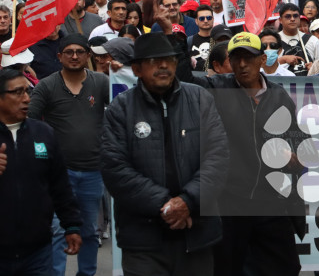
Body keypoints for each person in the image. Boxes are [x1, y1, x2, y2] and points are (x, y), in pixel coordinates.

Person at [173, 31, 307, 276]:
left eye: (248, 58)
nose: (242, 65)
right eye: (236, 59)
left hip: (271, 201)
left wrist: (296, 159)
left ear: (261, 59)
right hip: (230, 203)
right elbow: (181, 80)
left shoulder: (279, 96)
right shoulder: (216, 88)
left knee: (287, 267)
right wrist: (177, 38)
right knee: (228, 268)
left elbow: (297, 138)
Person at [101, 33, 229, 276]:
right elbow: (115, 168)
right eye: (153, 61)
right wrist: (166, 206)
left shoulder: (200, 98)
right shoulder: (121, 108)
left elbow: (218, 157)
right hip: (144, 240)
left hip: (197, 231)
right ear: (137, 69)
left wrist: (188, 201)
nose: (163, 66)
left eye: (169, 60)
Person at [29, 33, 109, 276]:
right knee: (57, 231)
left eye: (80, 52)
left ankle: (87, 273)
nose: (74, 56)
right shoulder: (46, 85)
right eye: (69, 52)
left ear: (88, 56)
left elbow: (123, 107)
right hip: (57, 175)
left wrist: (118, 73)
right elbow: (29, 122)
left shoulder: (101, 83)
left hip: (93, 170)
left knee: (89, 231)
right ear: (59, 56)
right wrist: (40, 155)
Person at [0, 68, 83, 275]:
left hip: (38, 251)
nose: (26, 98)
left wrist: (71, 225)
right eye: (18, 92)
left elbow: (60, 185)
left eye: (27, 91)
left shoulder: (44, 133)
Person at [278, 3, 319, 74]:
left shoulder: (313, 40)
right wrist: (283, 60)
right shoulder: (274, 41)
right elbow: (265, 67)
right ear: (280, 20)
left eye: (295, 16)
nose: (292, 19)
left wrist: (314, 69)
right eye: (288, 16)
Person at [188, 4, 215, 70]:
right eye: (202, 18)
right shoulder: (189, 41)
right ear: (196, 21)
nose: (205, 21)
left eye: (209, 18)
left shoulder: (219, 38)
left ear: (213, 19)